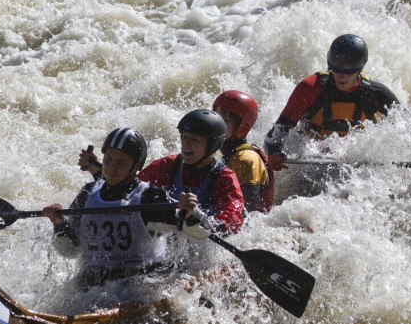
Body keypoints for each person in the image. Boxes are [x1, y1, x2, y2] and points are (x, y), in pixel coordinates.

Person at [263, 34, 411, 195]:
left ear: (360, 69)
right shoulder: (310, 88)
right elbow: (278, 130)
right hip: (310, 160)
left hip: (350, 162)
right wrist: (274, 152)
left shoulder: (376, 93)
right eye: (336, 68)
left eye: (348, 70)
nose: (341, 76)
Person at [44, 127, 204, 289]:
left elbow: (195, 236)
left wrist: (190, 214)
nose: (112, 167)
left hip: (141, 282)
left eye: (121, 162)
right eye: (108, 159)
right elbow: (69, 251)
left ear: (136, 166)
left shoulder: (149, 197)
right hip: (93, 282)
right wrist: (58, 223)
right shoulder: (87, 193)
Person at [135, 109, 246, 237]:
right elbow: (133, 189)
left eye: (195, 140)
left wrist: (195, 215)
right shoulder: (166, 165)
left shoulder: (225, 178)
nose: (186, 144)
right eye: (184, 137)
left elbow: (232, 222)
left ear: (212, 145)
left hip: (200, 247)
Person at [212, 90, 274, 213]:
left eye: (225, 121)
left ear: (242, 127)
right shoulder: (214, 148)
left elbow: (248, 209)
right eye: (215, 117)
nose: (216, 124)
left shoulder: (246, 159)